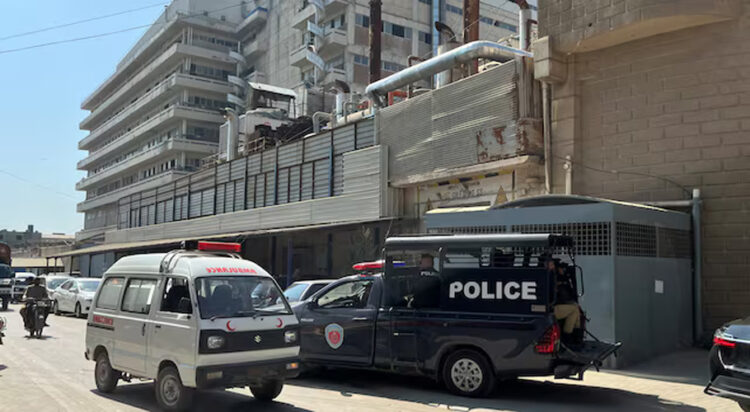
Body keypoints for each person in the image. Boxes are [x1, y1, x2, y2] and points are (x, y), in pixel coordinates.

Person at [548, 260, 581, 342]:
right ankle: (569, 336)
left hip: (555, 305)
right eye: (551, 264)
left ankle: (576, 336)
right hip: (550, 309)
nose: (553, 266)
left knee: (576, 308)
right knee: (574, 309)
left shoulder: (554, 275)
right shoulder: (547, 276)